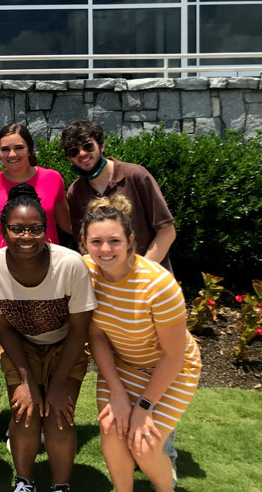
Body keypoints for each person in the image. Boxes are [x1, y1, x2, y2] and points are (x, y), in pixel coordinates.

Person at [0, 184, 96, 492]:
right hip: (21, 345)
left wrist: (57, 386)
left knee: (59, 415)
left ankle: (60, 485)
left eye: (35, 229)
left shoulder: (70, 264)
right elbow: (3, 328)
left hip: (66, 344)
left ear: (46, 230)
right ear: (3, 231)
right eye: (17, 229)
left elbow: (80, 329)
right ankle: (24, 482)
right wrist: (28, 382)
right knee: (25, 413)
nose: (26, 237)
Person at [81, 195, 200, 492]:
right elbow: (95, 334)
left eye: (114, 241)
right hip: (121, 366)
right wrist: (118, 393)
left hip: (174, 369)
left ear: (131, 239)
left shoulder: (158, 285)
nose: (105, 250)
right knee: (111, 428)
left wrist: (143, 407)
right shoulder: (85, 272)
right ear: (84, 242)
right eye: (96, 242)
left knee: (144, 445)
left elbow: (173, 356)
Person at [61, 120, 175, 272]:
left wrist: (141, 272)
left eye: (88, 146)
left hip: (150, 283)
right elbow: (85, 244)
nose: (82, 154)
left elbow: (167, 231)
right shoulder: (75, 191)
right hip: (108, 286)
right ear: (70, 158)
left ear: (102, 145)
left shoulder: (136, 176)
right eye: (73, 151)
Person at [0, 123, 71, 252]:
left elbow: (67, 225)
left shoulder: (53, 178)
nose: (12, 154)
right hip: (3, 263)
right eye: (5, 149)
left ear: (29, 150)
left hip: (47, 260)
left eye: (19, 147)